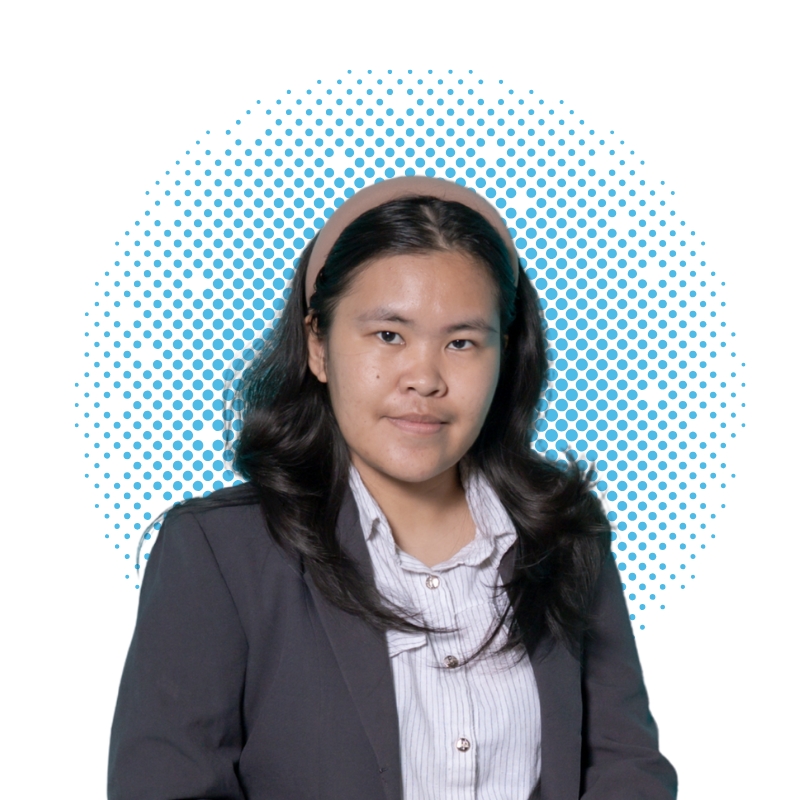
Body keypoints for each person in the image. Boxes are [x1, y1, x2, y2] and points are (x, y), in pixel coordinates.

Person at [108, 176, 678, 800]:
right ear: (318, 344)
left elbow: (625, 766)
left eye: (461, 342)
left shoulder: (562, 532)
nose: (424, 378)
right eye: (389, 336)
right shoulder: (218, 552)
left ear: (505, 354)